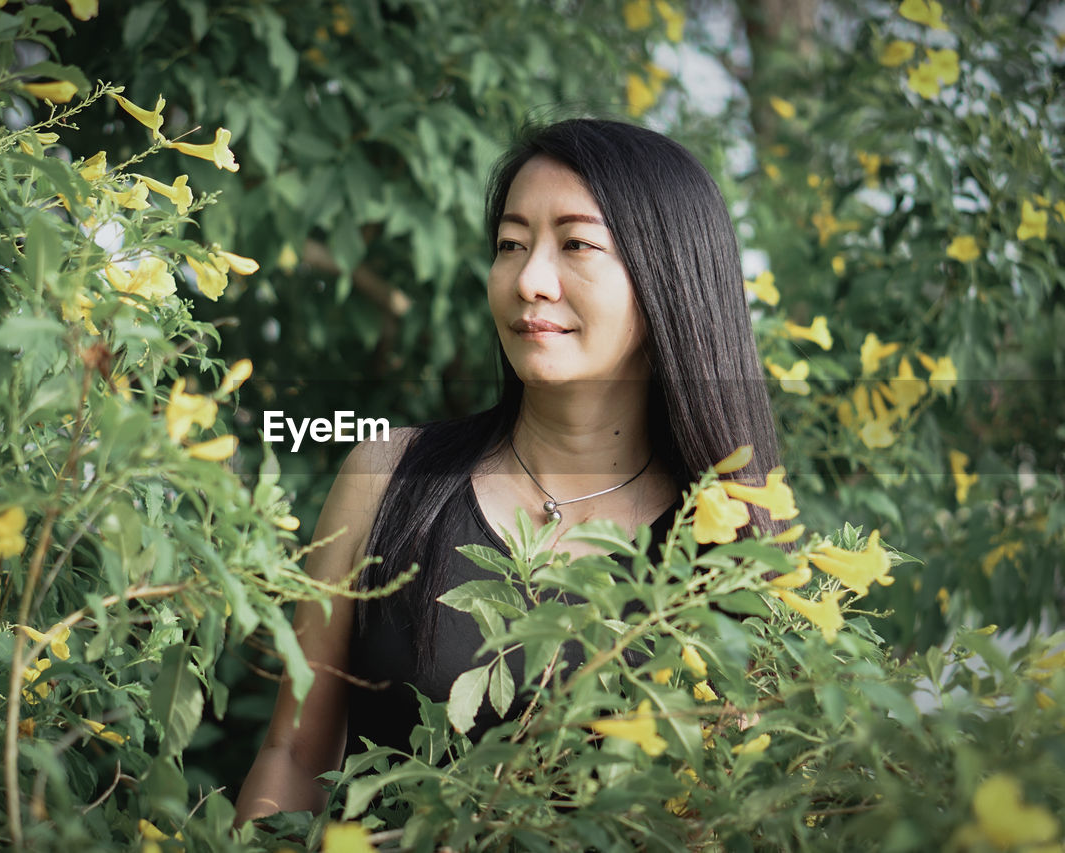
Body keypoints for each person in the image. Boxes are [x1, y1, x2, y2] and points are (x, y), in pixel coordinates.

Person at [234, 117, 784, 822]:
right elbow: (292, 755)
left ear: (668, 278)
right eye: (511, 244)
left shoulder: (731, 547)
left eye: (576, 243)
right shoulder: (389, 473)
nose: (528, 279)